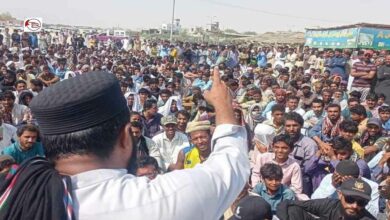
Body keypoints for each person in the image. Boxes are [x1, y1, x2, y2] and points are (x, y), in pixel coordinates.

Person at [0, 69, 250, 219]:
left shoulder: (14, 192)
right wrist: (223, 105)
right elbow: (231, 164)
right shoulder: (162, 200)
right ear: (125, 136)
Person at [277, 178, 376, 220]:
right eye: (350, 199)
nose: (354, 206)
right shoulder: (329, 205)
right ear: (340, 194)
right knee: (293, 210)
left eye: (361, 202)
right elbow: (287, 203)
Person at [311, 160, 379, 217]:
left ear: (358, 178)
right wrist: (332, 186)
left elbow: (374, 214)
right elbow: (314, 202)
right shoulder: (330, 178)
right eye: (341, 181)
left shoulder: (372, 186)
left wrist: (358, 193)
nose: (343, 184)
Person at [251, 134, 306, 200]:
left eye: (284, 148)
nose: (280, 151)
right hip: (262, 191)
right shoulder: (263, 158)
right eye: (276, 147)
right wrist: (259, 189)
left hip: (282, 194)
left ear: (291, 150)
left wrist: (279, 191)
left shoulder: (294, 165)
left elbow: (297, 188)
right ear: (272, 147)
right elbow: (256, 174)